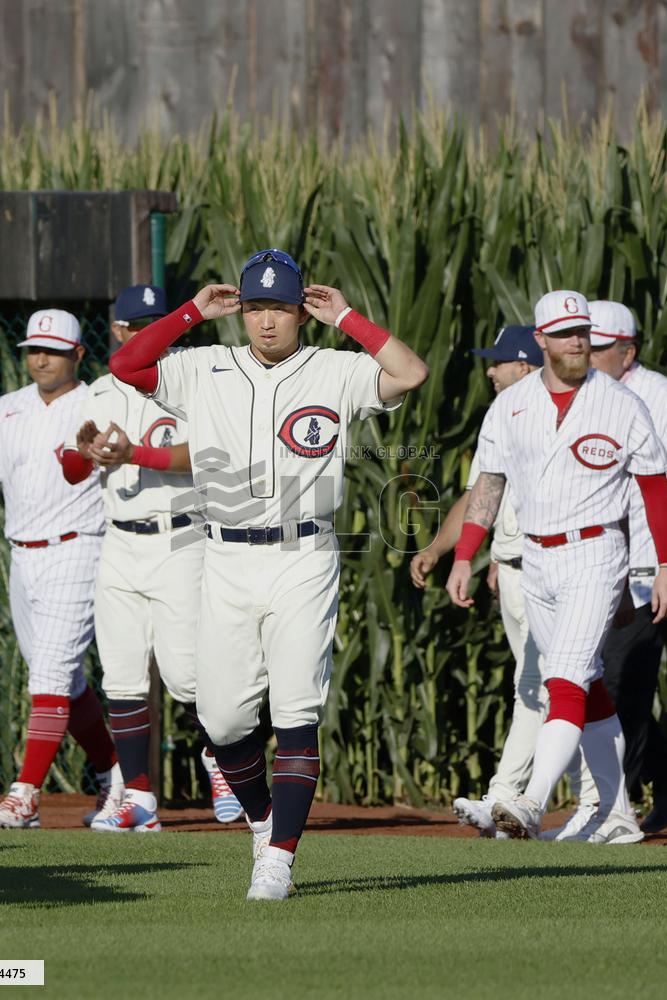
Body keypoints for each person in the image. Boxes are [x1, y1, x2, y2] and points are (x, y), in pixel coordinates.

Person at [109, 248, 428, 898]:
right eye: (255, 307)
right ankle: (262, 823)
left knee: (296, 709)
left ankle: (279, 856)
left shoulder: (333, 370)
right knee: (222, 723)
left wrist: (347, 318)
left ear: (299, 313)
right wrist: (194, 310)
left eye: (278, 308)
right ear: (241, 311)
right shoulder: (204, 365)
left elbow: (410, 372)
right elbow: (125, 364)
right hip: (223, 556)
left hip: (302, 558)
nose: (265, 321)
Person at [446, 290, 667, 841]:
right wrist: (463, 556)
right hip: (536, 558)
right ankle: (618, 815)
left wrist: (666, 564)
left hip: (596, 552)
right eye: (566, 333)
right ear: (542, 339)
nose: (579, 341)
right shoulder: (511, 403)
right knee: (589, 686)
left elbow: (654, 490)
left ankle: (529, 802)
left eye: (584, 332)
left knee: (565, 678)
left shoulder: (623, 403)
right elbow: (489, 484)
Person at [0, 309, 122, 829]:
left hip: (79, 546)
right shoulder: (6, 408)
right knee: (66, 681)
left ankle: (25, 794)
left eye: (54, 350)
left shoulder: (97, 400)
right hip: (23, 555)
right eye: (34, 349)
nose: (40, 358)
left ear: (77, 354)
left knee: (50, 675)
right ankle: (113, 773)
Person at [61, 283, 243, 831]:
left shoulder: (188, 380)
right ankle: (139, 800)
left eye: (156, 323)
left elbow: (205, 456)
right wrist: (88, 454)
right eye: (137, 326)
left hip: (179, 537)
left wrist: (131, 452)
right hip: (118, 539)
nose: (148, 334)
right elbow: (71, 467)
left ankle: (224, 760)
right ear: (118, 332)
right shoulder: (98, 392)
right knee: (121, 677)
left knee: (188, 677)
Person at [543, 299, 667, 839]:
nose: (586, 350)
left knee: (619, 680)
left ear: (627, 351)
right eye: (583, 339)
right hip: (597, 563)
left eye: (599, 345)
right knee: (593, 673)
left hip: (651, 567)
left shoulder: (664, 400)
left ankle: (612, 809)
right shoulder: (587, 398)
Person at [411, 325, 546, 837]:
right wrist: (447, 552)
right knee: (536, 686)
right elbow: (480, 496)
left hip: (550, 571)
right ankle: (521, 801)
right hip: (510, 571)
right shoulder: (503, 415)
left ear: (527, 365)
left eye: (499, 361)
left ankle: (512, 799)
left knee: (547, 687)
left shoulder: (559, 414)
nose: (488, 370)